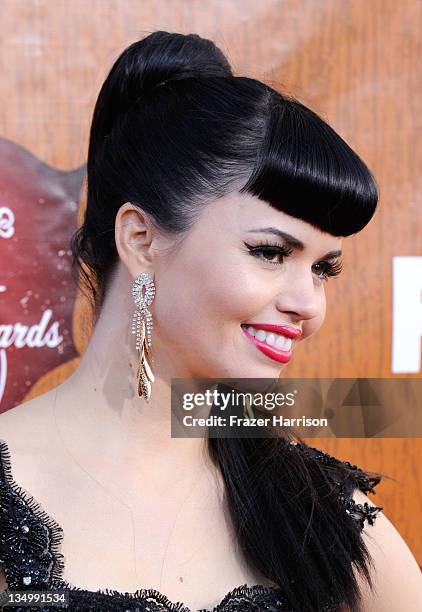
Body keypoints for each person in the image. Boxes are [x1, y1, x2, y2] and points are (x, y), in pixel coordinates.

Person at [0, 30, 421, 612]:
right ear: (141, 239)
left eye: (325, 269)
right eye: (271, 253)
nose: (311, 305)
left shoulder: (318, 511)